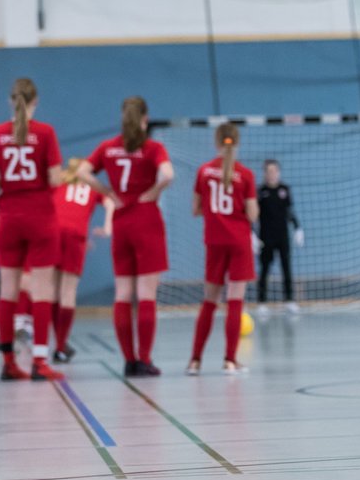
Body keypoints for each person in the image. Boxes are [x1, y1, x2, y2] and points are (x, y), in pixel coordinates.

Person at [78, 96, 174, 377]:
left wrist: (107, 191)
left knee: (122, 294)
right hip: (146, 219)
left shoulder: (108, 147)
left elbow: (82, 172)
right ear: (145, 119)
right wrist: (154, 192)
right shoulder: (152, 147)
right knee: (146, 295)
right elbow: (168, 174)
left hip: (121, 221)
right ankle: (144, 358)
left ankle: (129, 360)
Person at [0, 78, 66, 381]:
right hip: (40, 216)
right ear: (35, 101)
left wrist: (10, 182)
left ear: (10, 101)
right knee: (43, 289)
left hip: (10, 217)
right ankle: (40, 361)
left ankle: (8, 361)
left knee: (7, 290)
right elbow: (55, 179)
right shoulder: (45, 133)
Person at [188, 124, 258, 375]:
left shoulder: (204, 171)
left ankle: (195, 361)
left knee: (209, 300)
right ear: (237, 143)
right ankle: (230, 360)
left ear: (216, 142)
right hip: (238, 241)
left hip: (214, 240)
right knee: (235, 300)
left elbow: (195, 209)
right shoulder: (245, 174)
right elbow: (252, 213)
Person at [51, 158, 114, 363]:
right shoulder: (92, 187)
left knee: (51, 290)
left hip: (53, 232)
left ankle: (55, 343)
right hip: (76, 235)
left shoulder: (59, 184)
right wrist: (107, 228)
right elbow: (111, 202)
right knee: (68, 291)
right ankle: (61, 345)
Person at [256, 158, 303, 314]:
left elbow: (290, 211)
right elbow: (253, 215)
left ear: (279, 172)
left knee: (286, 268)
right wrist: (253, 235)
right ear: (264, 174)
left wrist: (297, 228)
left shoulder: (285, 189)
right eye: (269, 171)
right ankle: (262, 302)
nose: (272, 174)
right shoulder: (260, 191)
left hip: (282, 237)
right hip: (265, 238)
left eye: (274, 171)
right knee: (264, 270)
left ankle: (289, 300)